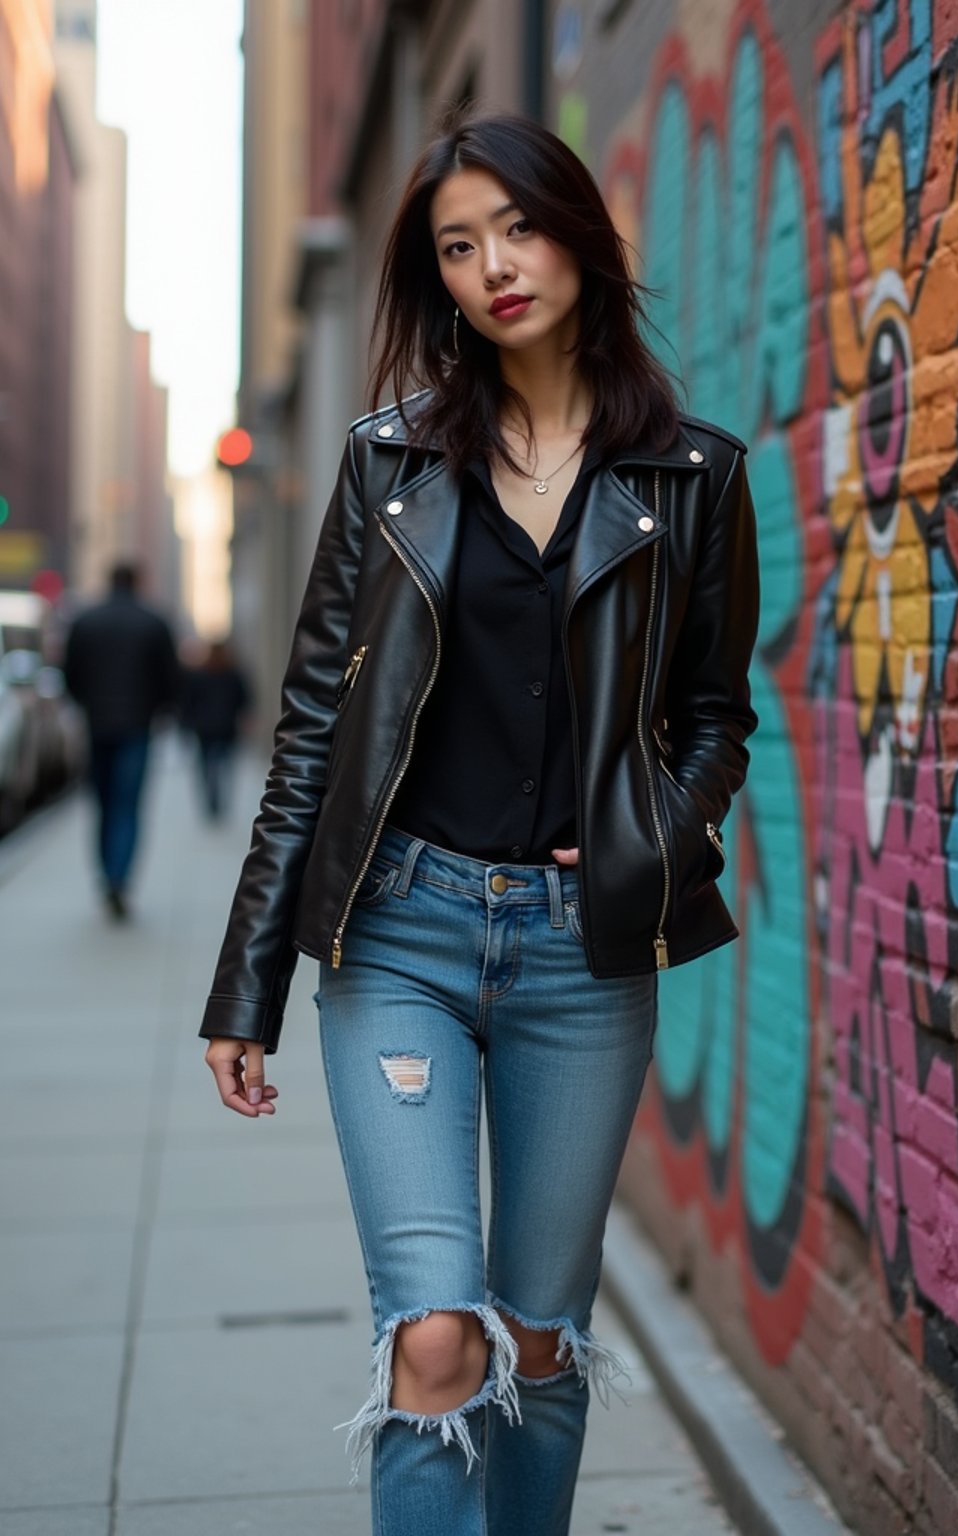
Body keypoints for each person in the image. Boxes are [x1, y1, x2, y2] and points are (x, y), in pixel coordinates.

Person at [199, 110, 759, 1536]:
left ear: (575, 231)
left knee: (539, 1335)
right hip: (402, 933)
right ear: (434, 279)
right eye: (458, 246)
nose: (493, 265)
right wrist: (248, 979)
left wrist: (655, 838)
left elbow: (715, 719)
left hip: (584, 956)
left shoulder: (695, 478)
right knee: (437, 1335)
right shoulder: (390, 465)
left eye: (515, 227)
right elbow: (317, 722)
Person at [64, 560, 180, 919]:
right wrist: (158, 710)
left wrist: (86, 705)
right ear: (137, 582)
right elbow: (171, 678)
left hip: (97, 723)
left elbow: (70, 674)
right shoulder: (153, 622)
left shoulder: (86, 621)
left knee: (102, 803)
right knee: (127, 805)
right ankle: (119, 878)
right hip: (136, 725)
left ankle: (107, 876)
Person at [180, 638, 251, 820]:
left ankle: (212, 799)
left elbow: (188, 702)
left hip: (205, 728)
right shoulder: (234, 674)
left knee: (206, 765)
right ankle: (219, 798)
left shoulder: (200, 674)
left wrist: (187, 723)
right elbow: (244, 699)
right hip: (226, 727)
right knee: (225, 765)